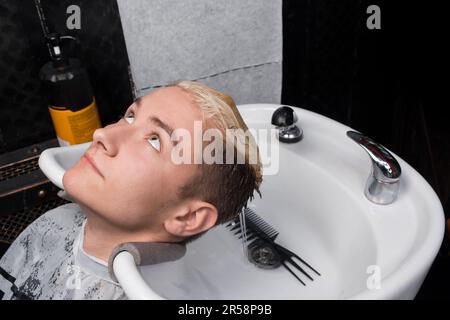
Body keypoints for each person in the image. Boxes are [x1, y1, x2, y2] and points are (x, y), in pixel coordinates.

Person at [0, 80, 262, 299]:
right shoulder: (55, 223)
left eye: (154, 141)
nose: (103, 134)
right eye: (130, 116)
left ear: (187, 217)